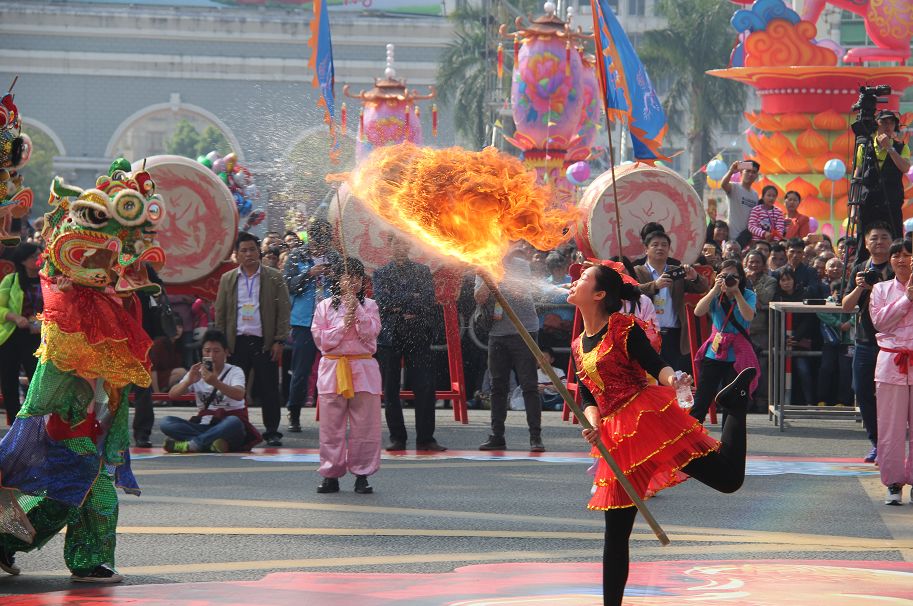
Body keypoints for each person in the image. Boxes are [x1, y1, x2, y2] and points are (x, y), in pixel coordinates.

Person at [567, 262, 754, 606]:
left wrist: (673, 380)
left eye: (583, 278)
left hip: (648, 420)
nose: (574, 282)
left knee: (729, 479)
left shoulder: (622, 327)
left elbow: (656, 364)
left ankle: (734, 406)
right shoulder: (578, 344)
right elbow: (588, 394)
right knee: (616, 530)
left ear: (599, 294)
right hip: (617, 436)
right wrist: (592, 424)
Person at [312, 257, 382, 495]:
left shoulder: (370, 305)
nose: (352, 281)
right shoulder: (324, 306)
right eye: (347, 276)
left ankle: (362, 474)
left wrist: (357, 310)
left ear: (362, 281)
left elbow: (371, 334)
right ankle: (330, 474)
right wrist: (344, 323)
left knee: (366, 427)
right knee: (331, 427)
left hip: (363, 369)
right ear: (338, 279)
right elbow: (322, 341)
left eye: (357, 277)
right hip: (334, 370)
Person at [215, 232, 291, 447]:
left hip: (264, 341)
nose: (248, 254)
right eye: (244, 250)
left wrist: (279, 340)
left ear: (259, 252)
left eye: (252, 250)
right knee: (234, 389)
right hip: (235, 342)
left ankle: (272, 430)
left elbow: (283, 310)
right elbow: (220, 313)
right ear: (236, 255)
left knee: (269, 388)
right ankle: (238, 428)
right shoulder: (228, 279)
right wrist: (223, 344)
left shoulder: (274, 277)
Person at [373, 234, 444, 452]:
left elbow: (426, 301)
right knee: (390, 388)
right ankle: (397, 437)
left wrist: (400, 304)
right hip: (390, 336)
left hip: (418, 334)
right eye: (397, 243)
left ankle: (426, 438)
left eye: (405, 243)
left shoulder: (422, 271)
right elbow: (383, 303)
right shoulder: (381, 273)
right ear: (390, 246)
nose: (401, 247)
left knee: (424, 386)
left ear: (410, 245)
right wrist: (409, 301)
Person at [475, 247, 546, 452]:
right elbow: (479, 298)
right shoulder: (482, 267)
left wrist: (496, 279)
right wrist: (487, 277)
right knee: (498, 386)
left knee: (529, 385)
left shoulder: (521, 266)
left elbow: (521, 293)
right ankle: (497, 435)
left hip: (523, 331)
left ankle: (535, 436)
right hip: (497, 334)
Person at [841, 222, 894, 463]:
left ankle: (890, 443)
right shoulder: (860, 268)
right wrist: (862, 287)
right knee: (861, 391)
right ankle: (876, 442)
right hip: (864, 340)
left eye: (884, 238)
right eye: (874, 238)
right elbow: (846, 306)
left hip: (892, 343)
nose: (879, 242)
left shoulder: (898, 267)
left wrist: (878, 286)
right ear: (866, 240)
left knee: (891, 396)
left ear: (892, 241)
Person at [162, 329, 261, 453]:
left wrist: (215, 382)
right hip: (204, 424)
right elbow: (172, 395)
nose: (212, 355)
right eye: (207, 351)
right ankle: (211, 443)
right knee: (166, 422)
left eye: (216, 351)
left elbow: (239, 394)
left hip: (227, 424)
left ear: (226, 353)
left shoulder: (235, 371)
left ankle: (192, 444)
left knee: (234, 423)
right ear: (202, 352)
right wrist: (188, 381)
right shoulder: (197, 371)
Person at [869, 238, 913, 505]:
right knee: (890, 428)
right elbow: (880, 322)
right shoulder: (881, 289)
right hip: (891, 363)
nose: (901, 259)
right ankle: (894, 483)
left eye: (907, 255)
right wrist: (907, 298)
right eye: (896, 255)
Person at [690, 260, 759, 423]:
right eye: (725, 275)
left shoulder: (748, 294)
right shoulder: (715, 294)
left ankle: (729, 444)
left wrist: (736, 293)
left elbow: (748, 316)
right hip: (715, 352)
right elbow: (698, 311)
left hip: (738, 354)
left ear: (741, 278)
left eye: (734, 276)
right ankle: (691, 438)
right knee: (702, 399)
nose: (729, 279)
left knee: (732, 404)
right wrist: (715, 288)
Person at [283, 219, 336, 433]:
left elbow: (346, 283)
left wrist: (335, 276)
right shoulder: (297, 256)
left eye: (325, 239)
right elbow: (290, 285)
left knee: (333, 369)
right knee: (301, 370)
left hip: (331, 320)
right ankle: (294, 413)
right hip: (304, 322)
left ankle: (332, 414)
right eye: (318, 239)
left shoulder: (335, 257)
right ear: (311, 238)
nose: (322, 244)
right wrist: (309, 274)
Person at [633, 230, 708, 371]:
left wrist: (694, 276)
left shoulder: (676, 272)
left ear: (669, 249)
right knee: (648, 376)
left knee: (672, 376)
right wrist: (655, 285)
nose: (660, 248)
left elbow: (701, 287)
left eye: (664, 245)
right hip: (646, 333)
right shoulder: (638, 271)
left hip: (673, 334)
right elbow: (633, 291)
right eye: (655, 245)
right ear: (646, 249)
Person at [0, 243, 42, 423]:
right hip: (11, 336)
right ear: (23, 261)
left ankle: (33, 420)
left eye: (40, 254)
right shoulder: (11, 280)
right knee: (9, 379)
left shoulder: (47, 280)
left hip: (37, 336)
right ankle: (14, 420)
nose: (39, 258)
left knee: (36, 379)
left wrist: (41, 322)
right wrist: (15, 318)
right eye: (34, 256)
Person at [855, 110, 911, 241]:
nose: (888, 126)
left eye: (891, 123)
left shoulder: (901, 147)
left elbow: (905, 168)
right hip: (867, 203)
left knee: (894, 240)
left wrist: (889, 148)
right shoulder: (864, 147)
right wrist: (853, 209)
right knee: (864, 242)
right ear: (876, 124)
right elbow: (857, 177)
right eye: (884, 122)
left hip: (891, 204)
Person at [772, 267, 818, 406]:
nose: (786, 283)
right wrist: (782, 338)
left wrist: (796, 337)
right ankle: (777, 402)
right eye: (783, 280)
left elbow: (809, 319)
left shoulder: (804, 294)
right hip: (782, 342)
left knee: (803, 371)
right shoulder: (776, 297)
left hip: (800, 341)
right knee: (778, 374)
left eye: (789, 279)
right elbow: (774, 321)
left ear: (794, 280)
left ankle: (810, 402)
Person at [816, 281, 855, 407]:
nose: (841, 295)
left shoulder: (853, 299)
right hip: (830, 341)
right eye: (838, 292)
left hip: (848, 342)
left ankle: (843, 401)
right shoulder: (827, 301)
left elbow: (860, 312)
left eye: (845, 292)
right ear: (832, 292)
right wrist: (838, 323)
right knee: (825, 368)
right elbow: (820, 312)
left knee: (846, 370)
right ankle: (821, 399)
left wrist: (850, 323)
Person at [721, 159, 760, 247]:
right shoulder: (734, 187)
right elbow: (723, 185)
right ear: (742, 172)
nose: (750, 174)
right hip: (732, 239)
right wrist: (731, 171)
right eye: (748, 171)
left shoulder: (755, 195)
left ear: (756, 176)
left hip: (747, 240)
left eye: (754, 172)